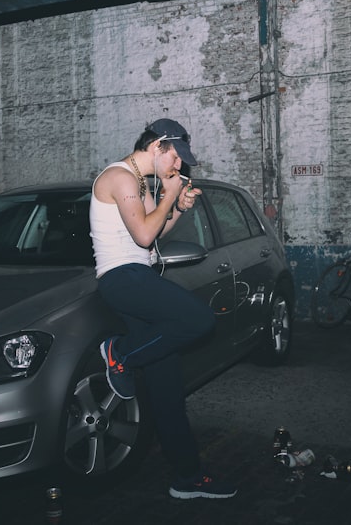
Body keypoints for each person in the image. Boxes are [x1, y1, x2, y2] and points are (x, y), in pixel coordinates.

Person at [89, 118, 237, 500]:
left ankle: (186, 477)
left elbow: (153, 233)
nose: (178, 168)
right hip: (123, 280)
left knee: (168, 390)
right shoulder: (120, 177)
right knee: (199, 319)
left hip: (139, 274)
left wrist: (178, 207)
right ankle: (119, 353)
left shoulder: (141, 182)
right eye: (175, 159)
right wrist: (171, 193)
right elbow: (141, 235)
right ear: (157, 146)